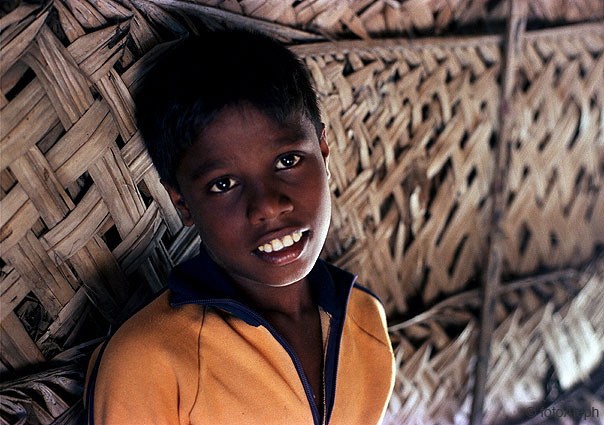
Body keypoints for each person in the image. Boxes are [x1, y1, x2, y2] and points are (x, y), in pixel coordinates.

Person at [84, 29, 394, 425]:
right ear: (183, 202)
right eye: (223, 184)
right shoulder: (151, 361)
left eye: (287, 161)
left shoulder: (364, 321)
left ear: (323, 151)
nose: (267, 206)